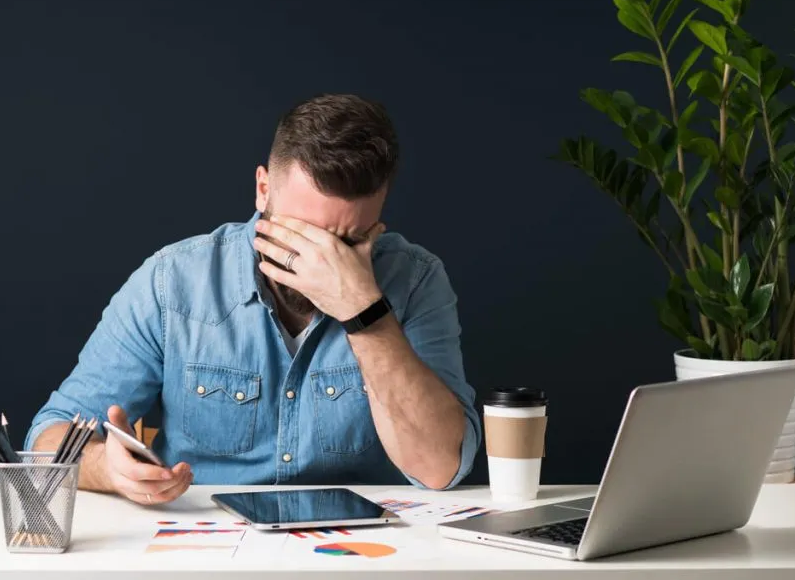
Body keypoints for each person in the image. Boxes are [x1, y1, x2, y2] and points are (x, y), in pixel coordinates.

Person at [25, 93, 481, 505]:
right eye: (303, 234)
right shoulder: (173, 282)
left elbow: (441, 469)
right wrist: (109, 468)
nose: (321, 262)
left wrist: (365, 311)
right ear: (263, 189)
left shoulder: (416, 280)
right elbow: (46, 439)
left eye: (351, 241)